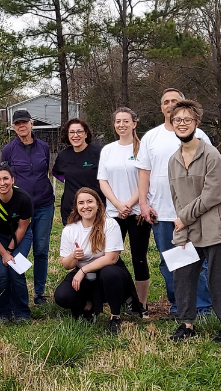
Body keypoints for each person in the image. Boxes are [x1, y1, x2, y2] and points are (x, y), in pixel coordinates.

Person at [167, 100, 221, 344]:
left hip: (216, 227)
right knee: (183, 275)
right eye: (177, 120)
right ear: (171, 123)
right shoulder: (173, 160)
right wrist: (182, 227)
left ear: (196, 123)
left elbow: (214, 194)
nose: (182, 123)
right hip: (187, 229)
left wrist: (183, 218)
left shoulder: (211, 154)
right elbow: (176, 197)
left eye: (187, 119)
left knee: (220, 277)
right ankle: (186, 324)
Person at [135, 88, 212, 318]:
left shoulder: (199, 135)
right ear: (161, 108)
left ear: (184, 105)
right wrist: (143, 204)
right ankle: (178, 306)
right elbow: (144, 173)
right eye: (166, 101)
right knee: (170, 261)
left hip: (193, 211)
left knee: (195, 259)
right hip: (162, 212)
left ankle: (202, 306)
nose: (170, 104)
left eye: (175, 101)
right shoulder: (151, 137)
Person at [55, 188, 136, 334]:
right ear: (76, 207)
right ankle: (88, 306)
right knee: (62, 296)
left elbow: (111, 258)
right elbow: (66, 265)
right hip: (85, 277)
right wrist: (73, 256)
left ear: (98, 204)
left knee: (110, 273)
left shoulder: (110, 224)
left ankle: (115, 316)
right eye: (81, 203)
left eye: (89, 201)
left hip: (110, 271)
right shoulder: (70, 229)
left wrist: (82, 270)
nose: (86, 206)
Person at [98, 107, 150, 318]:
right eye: (118, 121)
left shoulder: (142, 149)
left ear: (134, 124)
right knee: (110, 257)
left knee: (139, 258)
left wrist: (129, 204)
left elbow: (145, 180)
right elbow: (103, 180)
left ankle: (141, 305)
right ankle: (121, 298)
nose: (121, 125)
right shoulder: (108, 150)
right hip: (113, 213)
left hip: (137, 212)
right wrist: (118, 204)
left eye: (126, 121)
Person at [1, 109, 53, 305]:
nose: (21, 126)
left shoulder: (44, 147)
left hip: (44, 205)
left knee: (41, 249)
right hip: (19, 208)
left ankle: (39, 293)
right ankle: (18, 290)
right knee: (20, 250)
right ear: (13, 127)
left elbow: (47, 170)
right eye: (17, 123)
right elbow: (4, 179)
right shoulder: (9, 150)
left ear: (32, 123)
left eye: (24, 122)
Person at [0, 163, 34, 323]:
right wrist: (3, 253)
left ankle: (22, 312)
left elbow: (23, 228)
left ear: (13, 180)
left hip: (20, 236)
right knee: (2, 274)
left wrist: (9, 251)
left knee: (16, 270)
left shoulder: (24, 198)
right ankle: (3, 312)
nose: (2, 183)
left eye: (5, 178)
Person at [53, 118, 103, 225]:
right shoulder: (63, 155)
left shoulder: (98, 153)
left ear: (85, 134)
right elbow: (57, 173)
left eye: (79, 131)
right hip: (70, 210)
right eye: (72, 132)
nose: (75, 135)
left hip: (94, 210)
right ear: (67, 135)